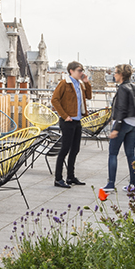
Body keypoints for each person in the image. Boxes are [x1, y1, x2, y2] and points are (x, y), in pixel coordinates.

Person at [51, 61, 92, 189]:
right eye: (79, 70)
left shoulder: (79, 84)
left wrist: (86, 82)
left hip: (77, 120)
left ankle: (70, 176)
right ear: (71, 71)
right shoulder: (64, 83)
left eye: (82, 70)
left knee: (75, 149)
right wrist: (65, 116)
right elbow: (54, 100)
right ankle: (58, 179)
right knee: (64, 150)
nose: (82, 73)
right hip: (68, 121)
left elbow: (89, 96)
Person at [103, 64, 135, 194]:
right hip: (134, 123)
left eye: (115, 73)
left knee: (113, 153)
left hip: (123, 123)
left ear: (121, 75)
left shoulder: (122, 89)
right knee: (131, 154)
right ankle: (133, 185)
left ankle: (110, 183)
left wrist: (116, 128)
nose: (114, 75)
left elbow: (121, 109)